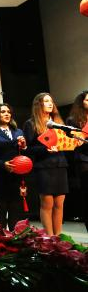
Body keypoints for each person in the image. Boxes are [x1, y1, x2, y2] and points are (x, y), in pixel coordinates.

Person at [22, 93, 69, 236]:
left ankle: (58, 236)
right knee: (47, 203)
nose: (50, 104)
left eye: (51, 101)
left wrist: (73, 143)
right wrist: (45, 149)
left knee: (59, 204)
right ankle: (49, 237)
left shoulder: (58, 122)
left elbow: (65, 142)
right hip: (44, 166)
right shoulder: (31, 124)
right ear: (39, 104)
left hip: (60, 165)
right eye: (46, 101)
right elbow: (28, 149)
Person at [0, 104, 28, 230]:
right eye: (3, 112)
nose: (7, 114)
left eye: (8, 111)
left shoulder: (18, 131)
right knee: (1, 210)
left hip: (16, 176)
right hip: (0, 176)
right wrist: (3, 164)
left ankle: (15, 238)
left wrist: (24, 146)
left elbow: (25, 154)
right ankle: (0, 238)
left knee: (16, 210)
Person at [66, 90, 87, 232]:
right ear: (81, 102)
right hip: (84, 160)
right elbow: (72, 143)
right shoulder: (72, 120)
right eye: (87, 100)